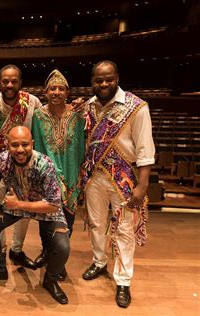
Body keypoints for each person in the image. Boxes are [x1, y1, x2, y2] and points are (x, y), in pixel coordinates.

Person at [79, 60, 155, 308]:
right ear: (92, 81)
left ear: (117, 78)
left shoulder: (136, 107)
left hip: (123, 179)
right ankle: (99, 262)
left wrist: (143, 186)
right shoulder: (87, 107)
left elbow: (145, 150)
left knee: (123, 229)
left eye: (108, 79)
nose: (103, 84)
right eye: (98, 80)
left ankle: (123, 280)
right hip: (94, 177)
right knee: (97, 223)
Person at [0, 126, 70, 305]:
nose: (20, 149)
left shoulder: (45, 164)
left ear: (32, 144)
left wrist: (19, 204)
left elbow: (53, 205)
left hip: (44, 207)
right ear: (7, 145)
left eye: (25, 144)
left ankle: (50, 279)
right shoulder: (0, 161)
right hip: (15, 206)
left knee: (62, 246)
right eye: (15, 145)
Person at [0, 64, 41, 269]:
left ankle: (17, 250)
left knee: (23, 209)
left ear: (20, 83)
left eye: (14, 81)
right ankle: (0, 250)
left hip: (25, 164)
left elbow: (40, 130)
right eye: (5, 81)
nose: (10, 85)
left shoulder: (32, 102)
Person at [31, 70, 85, 280]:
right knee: (46, 218)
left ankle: (58, 259)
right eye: (52, 88)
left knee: (67, 221)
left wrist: (79, 174)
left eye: (61, 88)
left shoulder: (78, 115)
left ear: (67, 92)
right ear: (45, 92)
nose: (56, 92)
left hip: (72, 176)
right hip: (48, 176)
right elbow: (37, 145)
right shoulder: (38, 116)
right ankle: (48, 251)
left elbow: (81, 145)